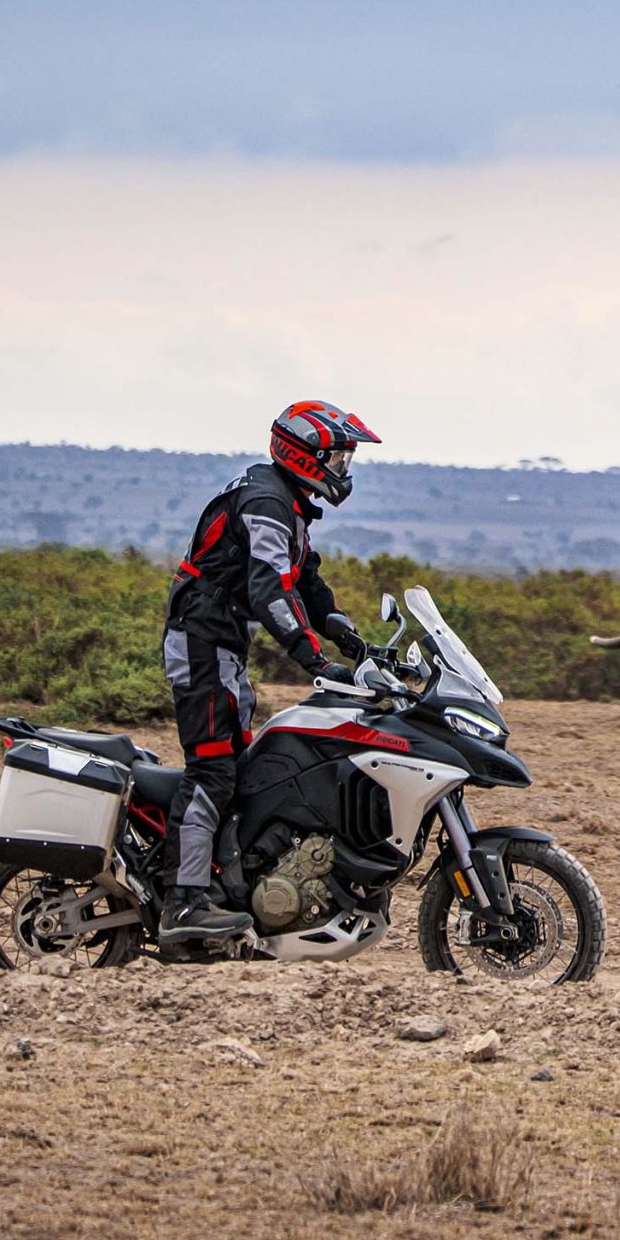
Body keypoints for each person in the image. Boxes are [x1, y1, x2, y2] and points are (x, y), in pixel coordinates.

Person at [156, 401, 381, 943]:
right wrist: (315, 661)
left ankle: (229, 884)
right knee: (213, 769)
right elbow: (270, 591)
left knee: (245, 768)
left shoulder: (288, 502)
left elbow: (305, 580)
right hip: (202, 643)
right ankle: (182, 904)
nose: (343, 468)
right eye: (338, 458)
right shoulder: (265, 503)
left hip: (222, 645)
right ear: (303, 454)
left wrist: (346, 633)